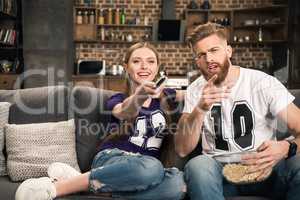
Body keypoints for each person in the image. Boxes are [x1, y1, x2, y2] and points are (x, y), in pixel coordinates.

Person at [15, 42, 186, 200]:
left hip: (144, 173)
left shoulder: (166, 96)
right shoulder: (117, 98)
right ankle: (56, 188)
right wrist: (139, 97)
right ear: (126, 67)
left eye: (150, 61)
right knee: (152, 167)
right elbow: (123, 111)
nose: (144, 66)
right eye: (137, 61)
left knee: (177, 185)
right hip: (113, 159)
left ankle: (86, 185)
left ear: (157, 67)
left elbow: (193, 93)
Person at [175, 22, 300, 200]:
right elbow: (181, 149)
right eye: (201, 54)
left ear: (228, 51)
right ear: (197, 60)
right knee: (197, 166)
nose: (209, 59)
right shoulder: (196, 90)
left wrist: (286, 147)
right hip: (221, 174)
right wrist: (200, 108)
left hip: (265, 169)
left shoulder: (262, 83)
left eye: (214, 50)